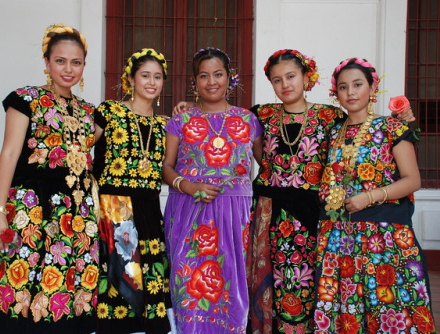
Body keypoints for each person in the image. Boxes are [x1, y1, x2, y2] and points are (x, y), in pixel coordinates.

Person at [0, 24, 98, 334]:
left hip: (73, 216)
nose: (68, 69)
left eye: (76, 62)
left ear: (84, 66)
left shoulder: (88, 112)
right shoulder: (25, 99)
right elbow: (9, 154)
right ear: (46, 62)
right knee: (15, 283)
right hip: (28, 209)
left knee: (63, 289)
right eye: (60, 60)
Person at [314, 58, 435, 333]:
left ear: (372, 87)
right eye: (343, 87)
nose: (351, 92)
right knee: (347, 309)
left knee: (387, 307)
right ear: (337, 94)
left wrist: (368, 197)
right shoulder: (334, 132)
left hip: (383, 237)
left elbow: (412, 180)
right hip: (339, 238)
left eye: (358, 84)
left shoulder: (392, 129)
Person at [163, 47, 263, 333]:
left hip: (235, 214)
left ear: (229, 78)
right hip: (190, 211)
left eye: (218, 74)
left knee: (234, 283)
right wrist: (190, 186)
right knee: (189, 285)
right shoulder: (180, 121)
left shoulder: (249, 120)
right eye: (203, 76)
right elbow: (166, 168)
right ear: (195, 81)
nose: (211, 81)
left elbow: (270, 165)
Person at [246, 49, 343, 334]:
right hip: (270, 216)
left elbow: (354, 148)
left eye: (290, 76)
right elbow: (229, 126)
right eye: (277, 80)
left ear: (305, 77)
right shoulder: (261, 114)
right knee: (271, 284)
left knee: (309, 280)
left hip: (311, 215)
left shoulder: (331, 116)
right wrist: (187, 105)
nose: (285, 84)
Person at [93, 48, 174, 334]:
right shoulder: (109, 112)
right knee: (121, 280)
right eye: (145, 75)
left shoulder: (166, 124)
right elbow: (78, 148)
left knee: (150, 280)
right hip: (115, 207)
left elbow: (171, 168)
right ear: (131, 79)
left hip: (150, 209)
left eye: (158, 77)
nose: (151, 82)